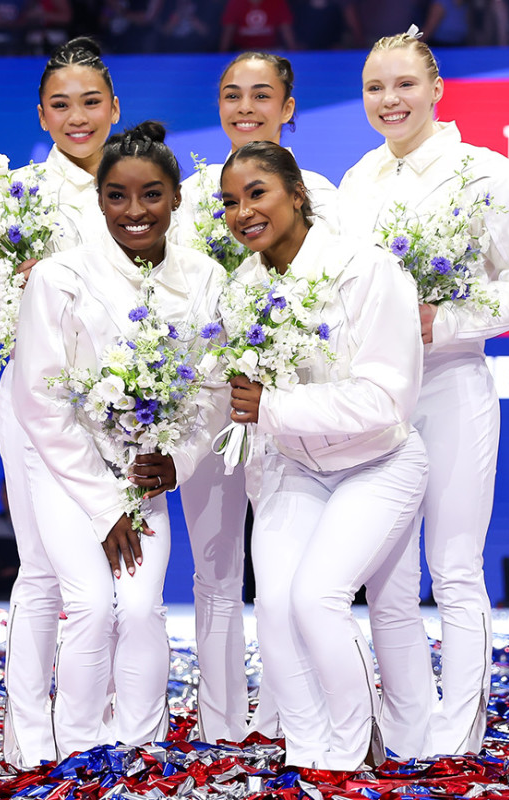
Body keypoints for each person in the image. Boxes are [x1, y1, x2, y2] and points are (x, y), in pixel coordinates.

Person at [338, 30, 509, 757]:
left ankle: (458, 737)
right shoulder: (356, 182)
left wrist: (450, 319)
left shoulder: (484, 175)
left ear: (437, 89)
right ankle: (408, 730)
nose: (389, 100)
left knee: (455, 567)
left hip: (454, 383)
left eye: (404, 84)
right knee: (389, 578)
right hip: (378, 399)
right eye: (375, 87)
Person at [12, 121, 226, 757]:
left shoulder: (205, 276)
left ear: (177, 198)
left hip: (143, 476)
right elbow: (41, 400)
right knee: (91, 605)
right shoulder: (58, 277)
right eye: (118, 196)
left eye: (152, 194)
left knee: (138, 608)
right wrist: (105, 507)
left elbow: (215, 389)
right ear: (98, 198)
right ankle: (77, 754)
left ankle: (138, 753)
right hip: (67, 475)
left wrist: (179, 459)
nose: (135, 211)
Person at [218, 142, 428, 770]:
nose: (243, 212)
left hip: (380, 462)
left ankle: (354, 746)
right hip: (293, 466)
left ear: (297, 194)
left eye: (258, 193)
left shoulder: (366, 270)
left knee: (316, 598)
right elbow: (234, 400)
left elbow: (385, 401)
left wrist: (273, 406)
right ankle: (312, 756)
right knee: (276, 610)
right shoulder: (240, 291)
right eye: (230, 201)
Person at [0, 35, 120, 769]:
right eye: (62, 105)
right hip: (33, 402)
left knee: (113, 580)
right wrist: (24, 289)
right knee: (45, 571)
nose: (77, 117)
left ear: (115, 108)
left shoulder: (140, 188)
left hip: (126, 410)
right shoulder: (10, 194)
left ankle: (96, 722)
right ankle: (30, 735)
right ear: (42, 115)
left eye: (90, 102)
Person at [167, 50, 340, 743]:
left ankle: (286, 718)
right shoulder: (189, 196)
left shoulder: (322, 193)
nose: (245, 106)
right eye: (232, 94)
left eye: (261, 94)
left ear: (288, 107)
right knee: (214, 572)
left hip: (285, 412)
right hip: (207, 406)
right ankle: (221, 725)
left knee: (284, 573)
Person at [219, 0, 297, 51]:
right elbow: (228, 32)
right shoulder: (235, 3)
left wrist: (294, 50)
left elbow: (286, 30)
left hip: (273, 51)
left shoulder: (278, 2)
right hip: (243, 52)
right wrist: (222, 54)